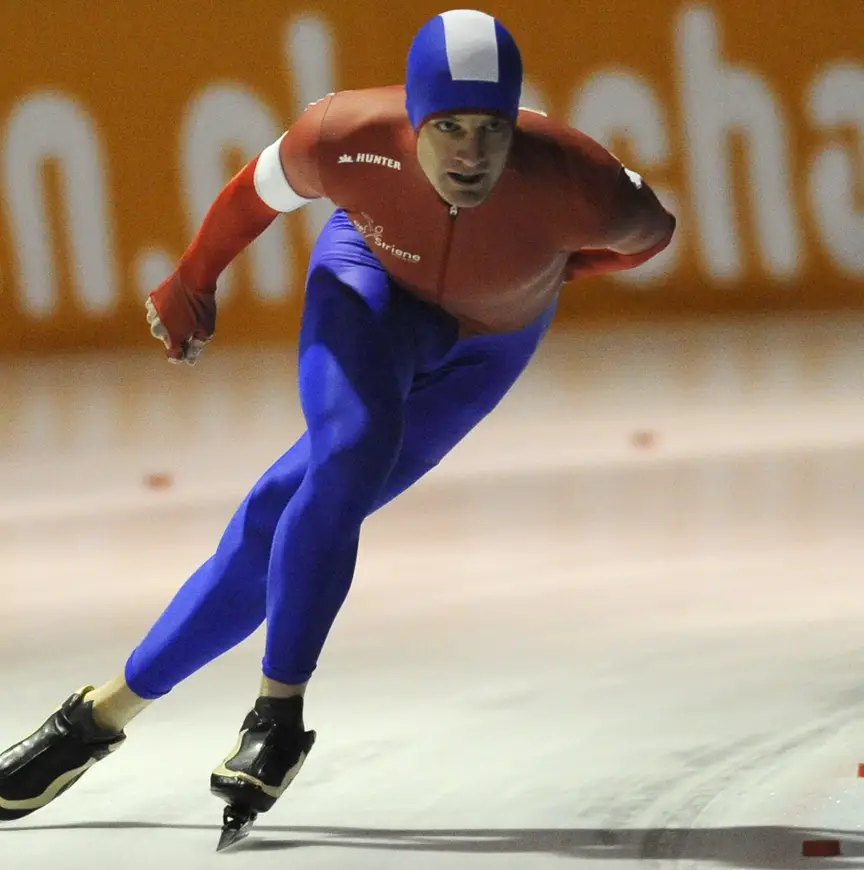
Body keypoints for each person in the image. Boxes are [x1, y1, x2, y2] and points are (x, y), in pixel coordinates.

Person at [0, 7, 675, 849]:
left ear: (515, 123)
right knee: (346, 456)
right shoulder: (344, 133)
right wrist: (192, 281)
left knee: (283, 511)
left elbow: (651, 238)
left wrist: (554, 269)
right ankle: (267, 715)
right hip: (369, 286)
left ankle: (100, 720)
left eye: (491, 130)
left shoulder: (583, 183)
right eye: (449, 128)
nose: (470, 154)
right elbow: (251, 196)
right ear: (413, 118)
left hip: (485, 351)